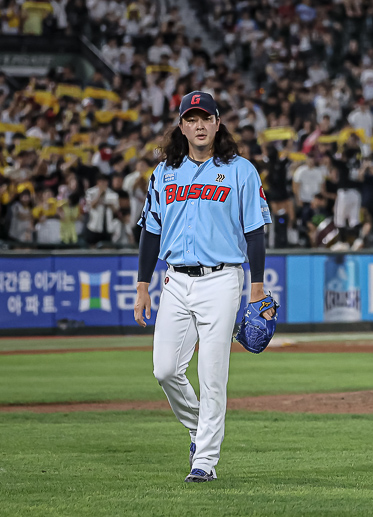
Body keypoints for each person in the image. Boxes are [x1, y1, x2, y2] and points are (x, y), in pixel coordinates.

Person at [132, 91, 274, 483]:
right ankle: (200, 428)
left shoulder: (239, 170)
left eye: (205, 118)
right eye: (191, 119)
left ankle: (205, 462)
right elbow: (150, 231)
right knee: (165, 370)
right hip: (175, 280)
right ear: (181, 126)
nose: (198, 125)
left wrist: (257, 286)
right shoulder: (164, 173)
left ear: (216, 124)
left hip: (223, 279)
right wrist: (143, 284)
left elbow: (255, 231)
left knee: (213, 375)